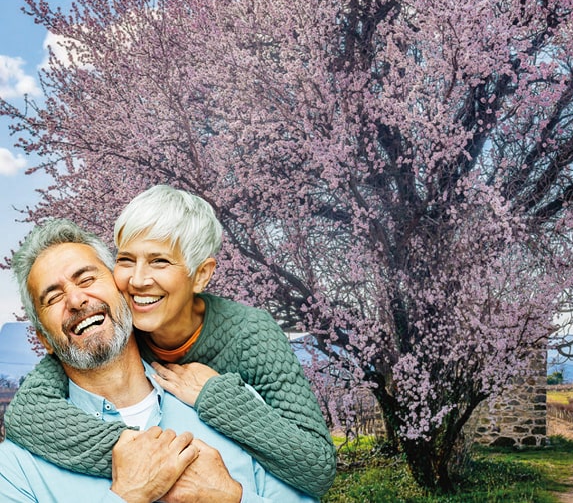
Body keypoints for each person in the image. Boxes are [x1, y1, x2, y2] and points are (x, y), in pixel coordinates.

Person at [4, 186, 336, 498]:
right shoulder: (17, 466)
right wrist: (135, 479)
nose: (138, 280)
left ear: (202, 275)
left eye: (88, 278)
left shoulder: (246, 351)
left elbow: (316, 467)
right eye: (126, 260)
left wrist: (232, 496)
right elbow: (25, 414)